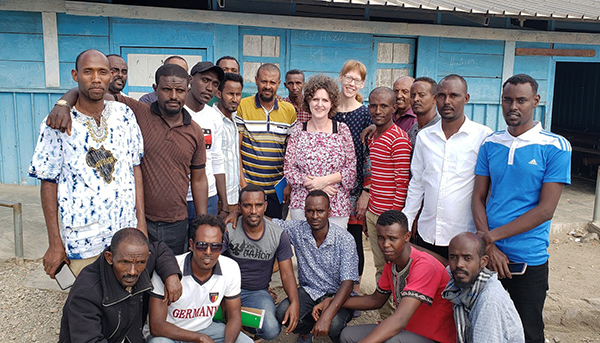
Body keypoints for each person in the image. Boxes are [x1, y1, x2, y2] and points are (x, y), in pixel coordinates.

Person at [45, 63, 209, 255]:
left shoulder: (195, 131)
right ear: (155, 89)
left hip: (177, 223)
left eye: (180, 90)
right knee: (137, 277)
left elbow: (199, 179)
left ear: (187, 91)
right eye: (166, 89)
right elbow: (94, 92)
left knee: (172, 277)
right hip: (138, 220)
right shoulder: (136, 112)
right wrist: (64, 103)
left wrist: (202, 222)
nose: (173, 96)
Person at [472, 74, 571, 343]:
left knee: (527, 333)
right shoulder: (491, 143)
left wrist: (490, 239)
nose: (513, 106)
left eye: (521, 100)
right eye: (507, 100)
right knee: (484, 328)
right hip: (489, 258)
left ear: (535, 102)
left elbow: (545, 210)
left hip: (528, 259)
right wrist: (489, 248)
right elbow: (478, 197)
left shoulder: (555, 146)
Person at [30, 49, 145, 277]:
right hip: (83, 238)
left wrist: (140, 224)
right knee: (86, 305)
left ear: (110, 76)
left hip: (124, 232)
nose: (95, 79)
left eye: (102, 72)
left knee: (126, 303)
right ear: (75, 75)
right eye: (88, 72)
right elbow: (48, 182)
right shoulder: (57, 122)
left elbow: (135, 169)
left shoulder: (124, 115)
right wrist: (55, 242)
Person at [317, 210, 455, 343]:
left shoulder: (424, 266)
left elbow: (400, 319)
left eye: (392, 238)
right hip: (408, 331)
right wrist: (333, 301)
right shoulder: (392, 262)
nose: (385, 245)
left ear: (407, 237)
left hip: (434, 338)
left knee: (390, 340)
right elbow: (375, 300)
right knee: (348, 335)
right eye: (381, 238)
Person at [403, 74, 492, 259]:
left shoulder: (483, 137)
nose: (447, 101)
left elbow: (489, 186)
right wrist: (407, 219)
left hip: (465, 234)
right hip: (428, 232)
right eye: (442, 96)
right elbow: (417, 182)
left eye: (454, 95)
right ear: (436, 99)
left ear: (466, 98)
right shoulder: (424, 137)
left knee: (460, 285)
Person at [59, 228, 183, 343]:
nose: (132, 271)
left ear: (147, 257)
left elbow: (161, 249)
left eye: (141, 262)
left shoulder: (137, 258)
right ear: (109, 258)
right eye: (124, 262)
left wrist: (171, 275)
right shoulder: (87, 292)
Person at [147, 215, 253, 343]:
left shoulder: (230, 268)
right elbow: (156, 326)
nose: (208, 252)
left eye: (215, 246)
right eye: (202, 245)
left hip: (206, 329)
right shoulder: (169, 271)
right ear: (191, 244)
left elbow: (234, 316)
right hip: (170, 333)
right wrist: (198, 338)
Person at [274, 190, 358, 343]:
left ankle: (336, 333)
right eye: (310, 211)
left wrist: (327, 316)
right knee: (282, 313)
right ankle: (308, 330)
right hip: (310, 291)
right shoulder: (298, 229)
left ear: (329, 211)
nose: (314, 216)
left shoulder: (345, 239)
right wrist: (239, 212)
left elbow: (348, 283)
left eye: (320, 211)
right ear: (304, 211)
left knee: (334, 325)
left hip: (337, 295)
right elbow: (268, 223)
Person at [225, 184, 300, 340]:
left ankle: (243, 324)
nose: (253, 211)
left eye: (258, 205)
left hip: (256, 293)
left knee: (271, 329)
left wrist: (295, 302)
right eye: (247, 205)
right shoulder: (229, 229)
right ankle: (237, 322)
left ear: (265, 206)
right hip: (226, 290)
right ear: (239, 207)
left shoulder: (278, 234)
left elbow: (287, 275)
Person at [284, 74, 356, 228]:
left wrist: (324, 181)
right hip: (303, 203)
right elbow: (289, 170)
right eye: (315, 99)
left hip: (335, 204)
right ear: (308, 100)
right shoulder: (298, 130)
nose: (319, 104)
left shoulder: (342, 130)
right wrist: (315, 184)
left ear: (332, 103)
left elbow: (351, 171)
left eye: (325, 100)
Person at [365, 87, 412, 320]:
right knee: (380, 269)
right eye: (373, 105)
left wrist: (390, 222)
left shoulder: (399, 140)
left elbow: (401, 183)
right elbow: (376, 177)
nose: (378, 110)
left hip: (389, 221)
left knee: (396, 271)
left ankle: (398, 321)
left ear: (394, 108)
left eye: (384, 106)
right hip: (373, 214)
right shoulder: (374, 137)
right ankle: (385, 318)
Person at [331, 60, 372, 293]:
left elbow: (369, 155)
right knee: (332, 238)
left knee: (354, 240)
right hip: (332, 186)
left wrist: (366, 190)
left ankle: (353, 289)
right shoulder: (329, 110)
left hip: (356, 188)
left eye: (357, 80)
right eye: (348, 77)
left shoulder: (366, 114)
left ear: (362, 84)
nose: (352, 83)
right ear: (341, 77)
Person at [236, 63, 296, 219]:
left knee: (274, 233)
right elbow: (236, 149)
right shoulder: (243, 106)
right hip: (249, 187)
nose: (268, 86)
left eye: (272, 82)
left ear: (278, 84)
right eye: (264, 81)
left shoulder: (288, 111)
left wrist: (289, 184)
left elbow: (292, 152)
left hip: (277, 189)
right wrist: (242, 184)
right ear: (256, 80)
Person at [442, 232, 524, 343]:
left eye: (467, 258)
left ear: (483, 262)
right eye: (453, 257)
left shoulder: (489, 301)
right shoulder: (462, 275)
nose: (459, 264)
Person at [184, 61, 228, 222]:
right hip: (180, 197)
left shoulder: (214, 117)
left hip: (208, 196)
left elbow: (217, 158)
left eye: (215, 84)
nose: (210, 88)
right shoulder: (177, 112)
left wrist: (223, 201)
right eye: (205, 80)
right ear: (190, 79)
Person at [214, 72, 244, 224]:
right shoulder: (213, 120)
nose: (235, 99)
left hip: (234, 198)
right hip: (218, 199)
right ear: (218, 94)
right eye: (230, 94)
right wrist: (222, 201)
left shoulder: (235, 121)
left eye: (238, 94)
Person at [406, 77, 440, 145]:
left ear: (434, 98)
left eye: (421, 95)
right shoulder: (413, 129)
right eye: (413, 95)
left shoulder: (440, 129)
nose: (415, 99)